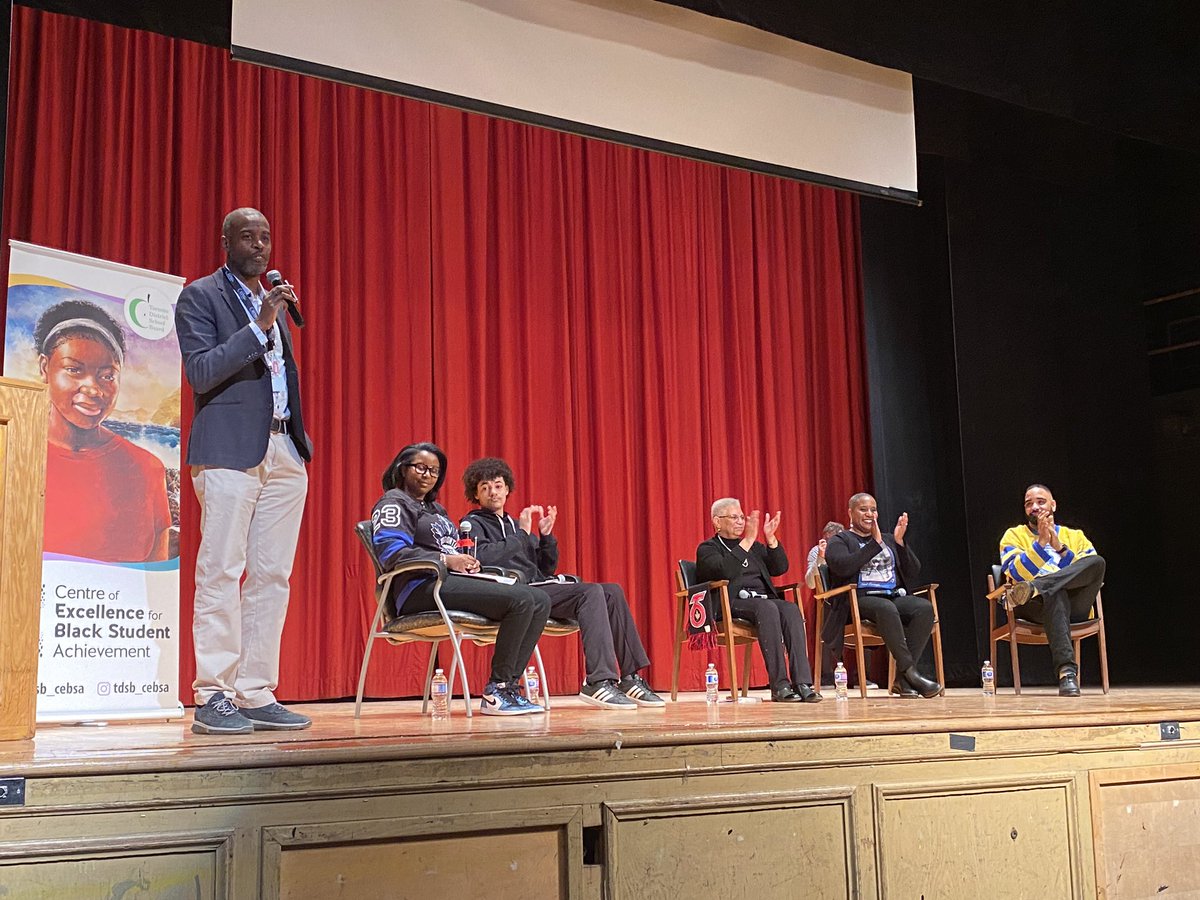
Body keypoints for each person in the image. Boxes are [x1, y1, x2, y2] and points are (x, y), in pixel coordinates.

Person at [175, 207, 312, 735]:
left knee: (273, 577)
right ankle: (213, 692)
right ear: (226, 242)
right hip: (229, 451)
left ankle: (255, 690)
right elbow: (203, 371)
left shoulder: (270, 298)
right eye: (248, 237)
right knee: (222, 569)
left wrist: (298, 443)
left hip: (283, 450)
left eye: (266, 237)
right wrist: (260, 324)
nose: (260, 245)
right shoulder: (201, 296)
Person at [462, 457, 665, 709]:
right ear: (476, 494)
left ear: (507, 489)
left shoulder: (515, 525)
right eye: (485, 487)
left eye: (498, 485)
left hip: (538, 587)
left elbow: (545, 568)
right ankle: (598, 680)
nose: (493, 491)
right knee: (589, 592)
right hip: (510, 592)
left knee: (611, 591)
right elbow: (480, 558)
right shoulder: (472, 524)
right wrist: (522, 536)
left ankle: (630, 677)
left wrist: (546, 537)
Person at [372, 443, 551, 716]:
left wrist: (467, 561)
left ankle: (509, 689)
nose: (427, 475)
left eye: (434, 471)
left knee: (539, 598)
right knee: (522, 599)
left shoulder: (436, 510)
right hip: (419, 588)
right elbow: (391, 553)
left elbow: (453, 547)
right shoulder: (394, 502)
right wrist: (446, 560)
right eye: (420, 467)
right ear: (401, 469)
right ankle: (497, 690)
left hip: (447, 582)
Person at [35, 299, 171, 563]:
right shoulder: (14, 454)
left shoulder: (146, 469)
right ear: (44, 368)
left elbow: (157, 579)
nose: (93, 389)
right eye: (74, 370)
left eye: (107, 375)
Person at [695, 498, 821, 702]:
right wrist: (747, 541)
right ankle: (779, 685)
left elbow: (780, 568)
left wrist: (771, 539)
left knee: (790, 609)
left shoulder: (755, 547)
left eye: (742, 517)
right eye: (734, 517)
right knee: (768, 608)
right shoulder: (708, 549)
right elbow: (724, 570)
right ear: (717, 522)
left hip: (763, 601)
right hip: (730, 603)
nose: (740, 522)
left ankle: (802, 683)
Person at [824, 493, 941, 698]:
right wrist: (874, 545)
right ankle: (911, 673)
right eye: (863, 509)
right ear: (850, 513)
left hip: (892, 596)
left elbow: (913, 571)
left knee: (923, 608)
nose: (870, 514)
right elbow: (842, 567)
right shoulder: (840, 540)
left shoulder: (888, 538)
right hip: (857, 600)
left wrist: (899, 542)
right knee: (886, 608)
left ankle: (902, 680)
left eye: (873, 509)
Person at [998, 484, 1105, 697]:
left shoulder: (1075, 536)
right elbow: (1016, 574)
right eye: (1029, 504)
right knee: (1055, 594)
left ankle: (1037, 587)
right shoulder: (1013, 536)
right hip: (1033, 607)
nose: (1035, 507)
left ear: (1053, 505)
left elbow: (1086, 571)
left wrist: (1059, 548)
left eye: (1041, 501)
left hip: (1076, 604)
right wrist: (1040, 544)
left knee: (1098, 563)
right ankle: (1067, 673)